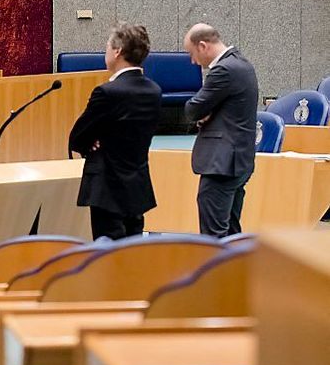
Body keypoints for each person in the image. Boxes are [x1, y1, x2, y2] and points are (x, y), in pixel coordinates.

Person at [68, 22, 162, 240]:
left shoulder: (107, 92)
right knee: (132, 252)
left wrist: (92, 142)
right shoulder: (154, 91)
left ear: (118, 51)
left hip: (107, 188)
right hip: (137, 186)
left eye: (108, 47)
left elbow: (78, 137)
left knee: (109, 255)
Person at [183, 24, 259, 237]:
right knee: (232, 232)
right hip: (238, 161)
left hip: (221, 164)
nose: (193, 61)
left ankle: (219, 272)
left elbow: (192, 109)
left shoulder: (224, 70)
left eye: (192, 54)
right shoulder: (242, 64)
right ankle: (235, 271)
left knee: (213, 236)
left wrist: (204, 112)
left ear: (203, 46)